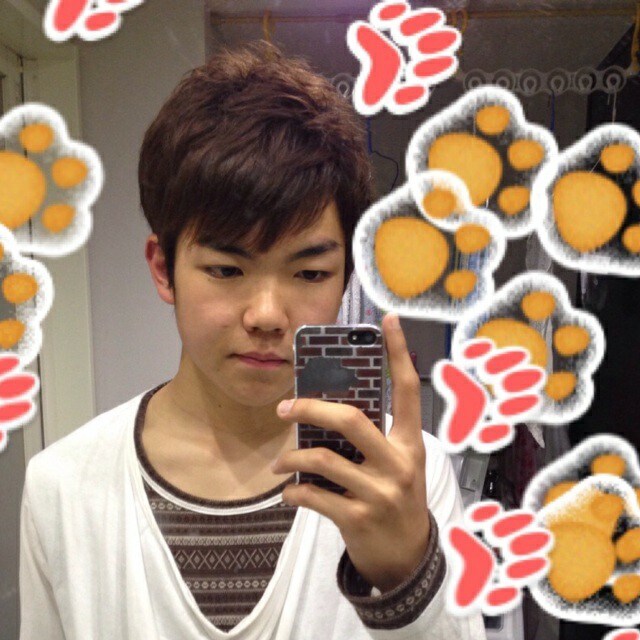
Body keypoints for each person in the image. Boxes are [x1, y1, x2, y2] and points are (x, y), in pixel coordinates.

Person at [19, 41, 486, 639]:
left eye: (310, 273)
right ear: (163, 268)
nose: (267, 315)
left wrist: (403, 578)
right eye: (226, 269)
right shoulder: (63, 486)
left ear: (345, 276)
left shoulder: (402, 477)